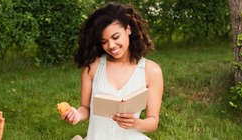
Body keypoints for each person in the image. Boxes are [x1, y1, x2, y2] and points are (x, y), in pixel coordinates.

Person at [60, 2, 164, 140]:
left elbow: (153, 121)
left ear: (128, 29)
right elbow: (85, 108)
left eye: (115, 37)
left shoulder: (151, 71)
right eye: (104, 41)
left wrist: (135, 123)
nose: (111, 46)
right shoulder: (93, 67)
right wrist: (77, 114)